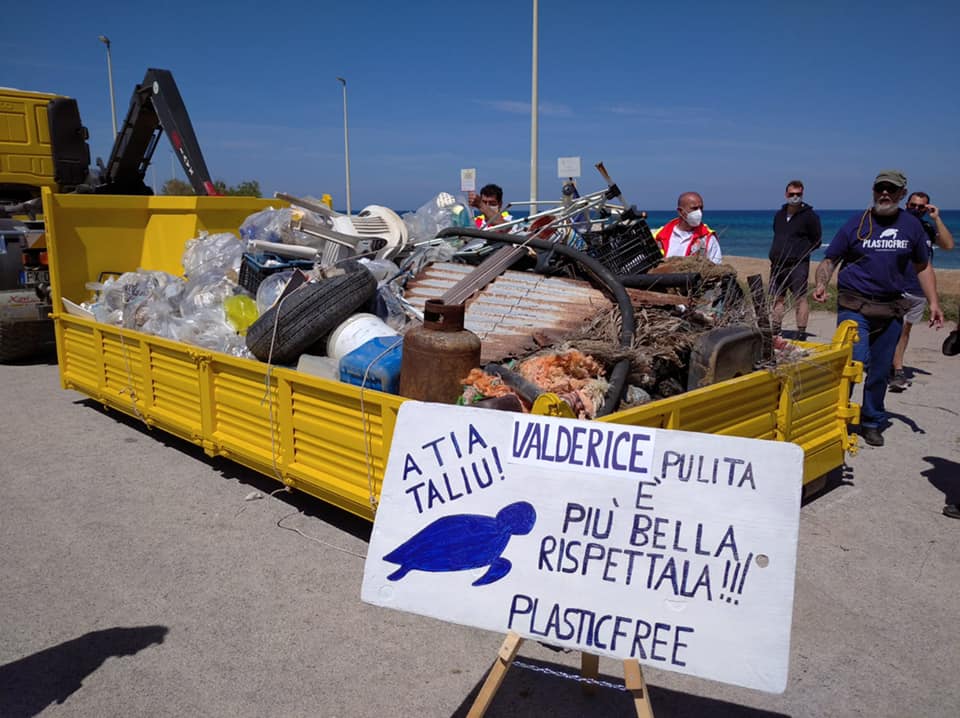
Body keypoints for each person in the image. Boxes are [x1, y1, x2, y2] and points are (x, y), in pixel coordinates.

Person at [812, 170, 944, 448]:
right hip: (854, 304)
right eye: (880, 188)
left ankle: (871, 421)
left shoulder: (912, 227)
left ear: (901, 194)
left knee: (881, 370)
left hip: (891, 307)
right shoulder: (856, 224)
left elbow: (923, 266)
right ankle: (836, 414)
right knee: (853, 362)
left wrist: (933, 302)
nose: (884, 193)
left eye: (891, 189)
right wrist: (821, 283)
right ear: (873, 191)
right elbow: (830, 259)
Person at [888, 192, 954, 391]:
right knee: (892, 329)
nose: (916, 210)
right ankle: (893, 368)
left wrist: (936, 219)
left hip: (918, 289)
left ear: (927, 208)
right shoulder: (896, 225)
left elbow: (948, 245)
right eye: (913, 206)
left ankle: (895, 368)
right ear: (906, 205)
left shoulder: (926, 228)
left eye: (921, 207)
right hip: (897, 287)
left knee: (905, 330)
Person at [768, 180, 822, 338]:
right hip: (778, 264)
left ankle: (801, 332)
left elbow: (817, 239)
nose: (795, 197)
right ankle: (776, 330)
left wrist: (801, 254)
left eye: (798, 194)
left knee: (800, 298)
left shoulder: (810, 216)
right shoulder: (779, 215)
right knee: (778, 298)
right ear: (786, 195)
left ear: (802, 194)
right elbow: (777, 234)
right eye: (792, 194)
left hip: (798, 265)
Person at [652, 192, 723, 264]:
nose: (699, 212)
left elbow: (716, 267)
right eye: (694, 208)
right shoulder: (659, 236)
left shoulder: (708, 238)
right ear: (680, 211)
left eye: (701, 208)